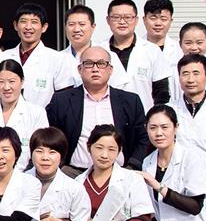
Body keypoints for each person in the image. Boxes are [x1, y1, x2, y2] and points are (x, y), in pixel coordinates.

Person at [46, 46, 150, 176]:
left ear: (110, 69)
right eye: (89, 64)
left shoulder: (130, 101)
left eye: (101, 63)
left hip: (120, 173)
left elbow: (143, 138)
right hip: (73, 173)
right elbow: (51, 137)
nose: (95, 69)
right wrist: (62, 167)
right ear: (80, 69)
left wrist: (132, 166)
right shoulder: (61, 101)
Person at [0, 59, 49, 172]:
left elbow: (40, 148)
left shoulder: (36, 113)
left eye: (12, 81)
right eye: (1, 82)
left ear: (22, 82)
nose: (6, 87)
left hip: (25, 175)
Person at [0, 3, 75, 109]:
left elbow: (64, 98)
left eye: (34, 22)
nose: (28, 27)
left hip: (44, 118)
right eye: (23, 21)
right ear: (16, 25)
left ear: (44, 27)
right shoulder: (3, 57)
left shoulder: (57, 59)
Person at [104, 0, 171, 111]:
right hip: (109, 115)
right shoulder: (99, 51)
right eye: (116, 17)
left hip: (144, 115)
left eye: (128, 17)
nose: (122, 22)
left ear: (136, 20)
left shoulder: (152, 51)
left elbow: (161, 92)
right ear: (108, 20)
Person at [62, 4, 131, 90]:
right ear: (65, 27)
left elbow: (120, 88)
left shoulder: (109, 55)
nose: (76, 29)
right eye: (71, 24)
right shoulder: (58, 58)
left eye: (82, 24)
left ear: (93, 27)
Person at [142, 0, 184, 65]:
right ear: (144, 20)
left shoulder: (180, 50)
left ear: (171, 21)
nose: (158, 23)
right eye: (153, 18)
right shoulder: (135, 48)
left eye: (163, 19)